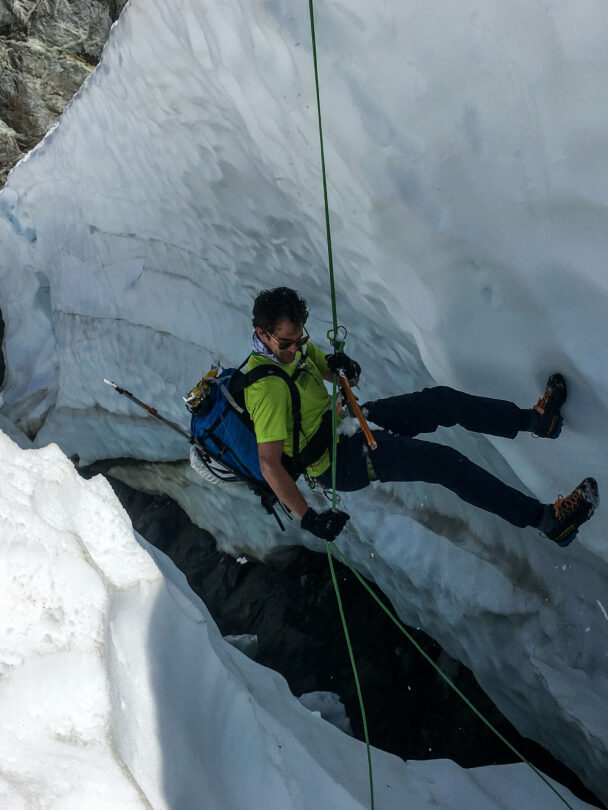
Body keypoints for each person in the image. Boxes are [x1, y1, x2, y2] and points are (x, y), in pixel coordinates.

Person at [244, 287, 598, 547]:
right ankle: (549, 522)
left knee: (441, 402)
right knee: (442, 463)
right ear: (263, 335)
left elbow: (338, 375)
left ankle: (539, 422)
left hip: (348, 424)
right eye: (287, 343)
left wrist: (346, 369)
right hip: (336, 462)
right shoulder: (266, 390)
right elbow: (269, 464)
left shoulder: (296, 348)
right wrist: (308, 518)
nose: (297, 346)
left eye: (300, 337)